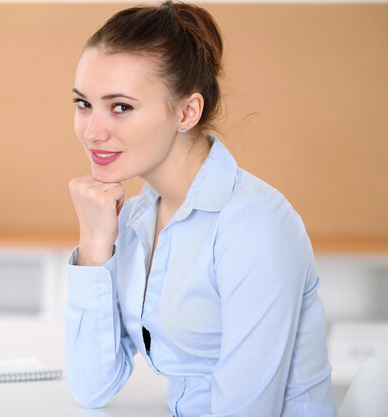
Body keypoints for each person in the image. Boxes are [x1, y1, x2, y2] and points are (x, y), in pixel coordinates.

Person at [64, 2, 337, 417]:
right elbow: (92, 387)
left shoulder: (253, 224)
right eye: (84, 103)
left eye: (120, 107)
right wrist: (93, 247)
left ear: (187, 112)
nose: (92, 131)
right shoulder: (136, 216)